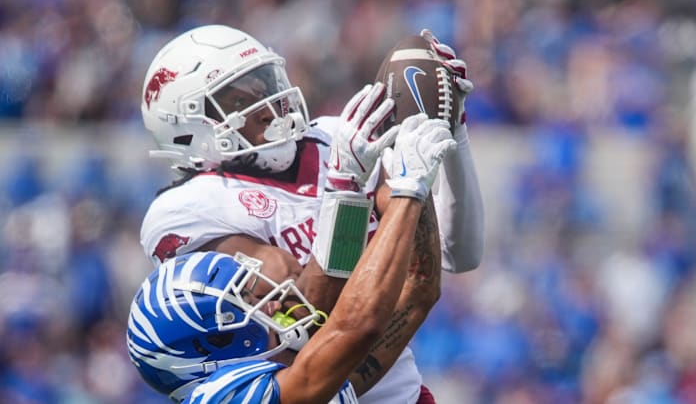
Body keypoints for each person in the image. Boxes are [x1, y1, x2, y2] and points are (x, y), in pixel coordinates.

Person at [138, 24, 484, 402]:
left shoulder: (335, 138)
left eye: (266, 84)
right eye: (239, 102)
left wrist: (450, 132)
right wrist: (344, 189)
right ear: (189, 129)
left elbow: (454, 254)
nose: (270, 106)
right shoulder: (184, 210)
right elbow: (297, 319)